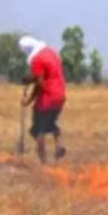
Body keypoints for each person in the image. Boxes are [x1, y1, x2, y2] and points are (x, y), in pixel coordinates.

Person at [18, 35, 67, 163]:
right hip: (60, 95)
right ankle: (59, 144)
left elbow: (40, 83)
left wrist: (29, 99)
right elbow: (45, 75)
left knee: (37, 129)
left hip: (48, 97)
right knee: (50, 123)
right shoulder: (52, 53)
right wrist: (30, 79)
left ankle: (43, 161)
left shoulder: (37, 60)